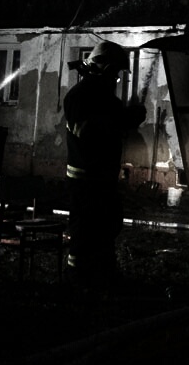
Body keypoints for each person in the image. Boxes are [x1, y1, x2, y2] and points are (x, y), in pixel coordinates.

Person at [63, 41, 147, 286]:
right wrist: (126, 119)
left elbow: (111, 122)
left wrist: (128, 118)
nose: (117, 79)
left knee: (107, 226)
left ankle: (102, 273)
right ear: (107, 69)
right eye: (116, 73)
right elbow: (91, 132)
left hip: (102, 178)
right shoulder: (79, 97)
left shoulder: (103, 98)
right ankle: (77, 279)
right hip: (85, 179)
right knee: (84, 230)